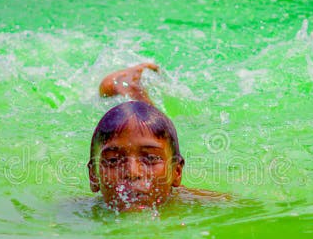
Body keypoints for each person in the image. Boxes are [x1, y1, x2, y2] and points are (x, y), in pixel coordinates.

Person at [88, 63, 220, 212]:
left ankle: (129, 89)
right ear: (94, 176)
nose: (132, 173)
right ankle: (127, 88)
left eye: (150, 159)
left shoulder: (207, 206)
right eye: (113, 160)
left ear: (177, 172)